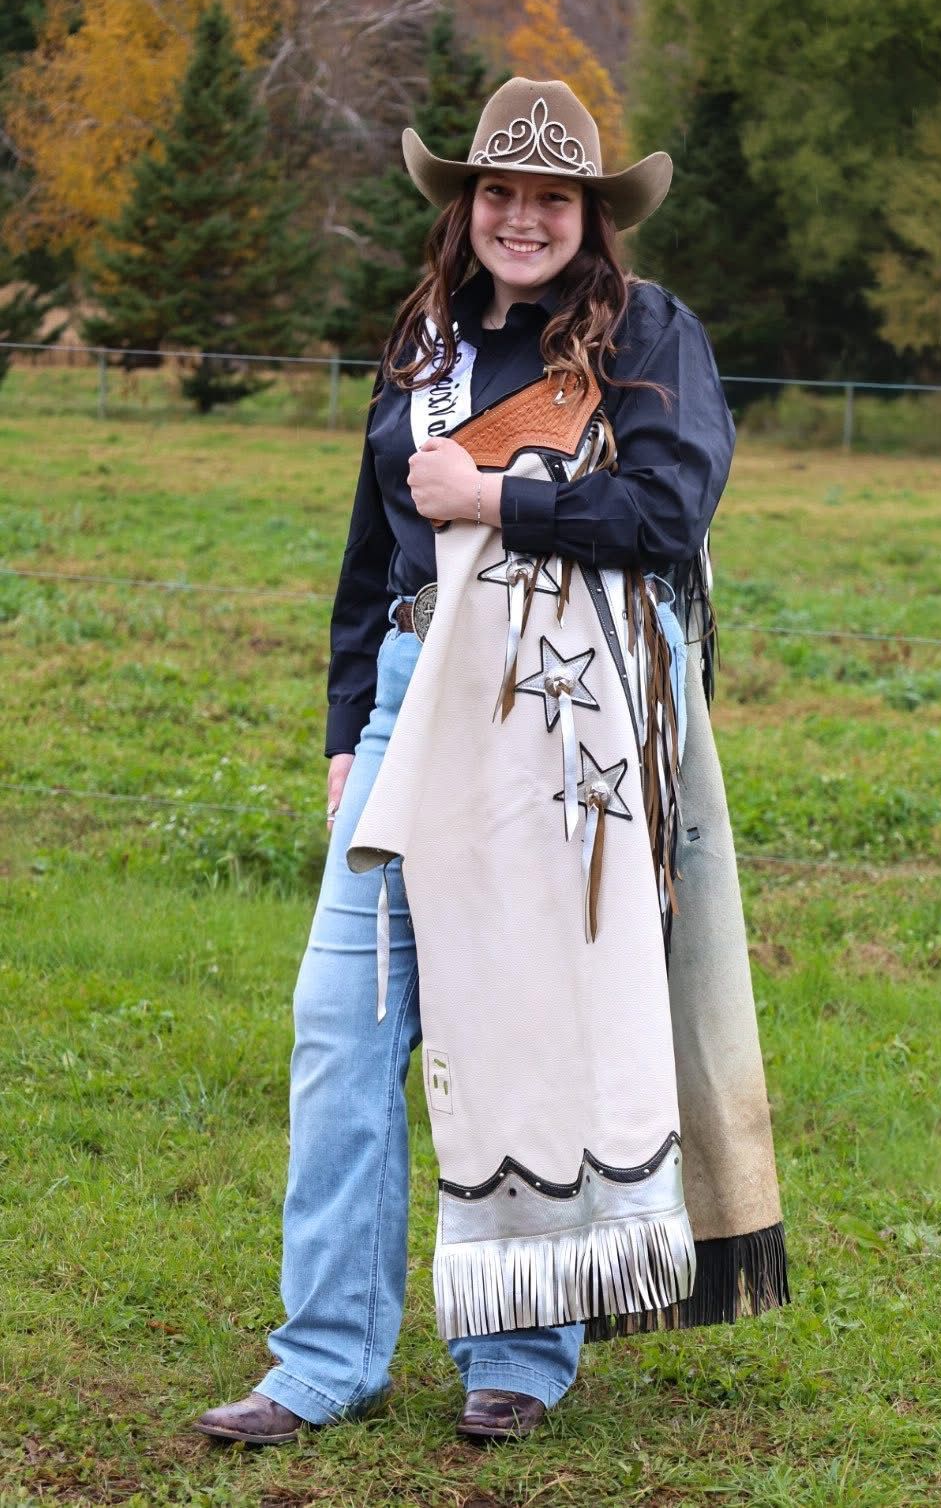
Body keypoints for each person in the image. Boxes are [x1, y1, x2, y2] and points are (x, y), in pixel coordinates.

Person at [195, 77, 784, 1450]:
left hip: (555, 721)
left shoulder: (647, 336)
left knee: (521, 1028)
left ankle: (521, 1349)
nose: (522, 218)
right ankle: (326, 1356)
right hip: (412, 701)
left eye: (551, 197)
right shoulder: (424, 344)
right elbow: (368, 555)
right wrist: (349, 727)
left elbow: (666, 505)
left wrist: (501, 497)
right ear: (467, 205)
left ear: (591, 214)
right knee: (345, 1031)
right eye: (499, 193)